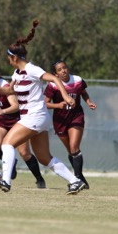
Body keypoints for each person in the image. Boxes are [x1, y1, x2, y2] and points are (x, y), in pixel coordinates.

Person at [0, 20, 87, 195]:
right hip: (35, 117)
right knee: (45, 158)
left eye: (9, 58)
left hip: (35, 115)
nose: (8, 62)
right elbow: (10, 90)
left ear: (14, 57)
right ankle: (75, 181)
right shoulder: (17, 73)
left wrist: (67, 95)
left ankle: (6, 182)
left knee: (7, 143)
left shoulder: (32, 69)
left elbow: (54, 79)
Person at [0, 64, 47, 189]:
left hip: (16, 121)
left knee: (25, 153)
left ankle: (39, 179)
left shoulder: (5, 86)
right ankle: (12, 164)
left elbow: (15, 106)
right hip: (0, 121)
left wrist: (3, 111)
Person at [44, 60, 96, 188]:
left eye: (65, 68)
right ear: (55, 74)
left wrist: (88, 102)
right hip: (60, 120)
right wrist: (57, 105)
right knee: (70, 151)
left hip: (76, 116)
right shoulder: (53, 85)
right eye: (60, 70)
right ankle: (81, 178)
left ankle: (77, 179)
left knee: (74, 147)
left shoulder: (77, 80)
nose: (63, 71)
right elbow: (45, 103)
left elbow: (83, 93)